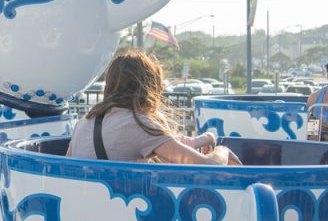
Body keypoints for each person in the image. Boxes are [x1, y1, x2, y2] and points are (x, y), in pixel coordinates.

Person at [68, 50, 241, 165]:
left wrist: (203, 138)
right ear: (149, 88)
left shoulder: (83, 123)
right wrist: (222, 150)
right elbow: (208, 166)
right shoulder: (139, 124)